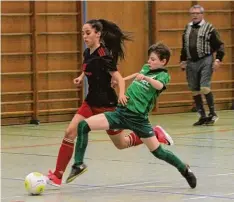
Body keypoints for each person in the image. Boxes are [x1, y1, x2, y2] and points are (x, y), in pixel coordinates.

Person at [47, 19, 173, 187]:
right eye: (83, 33)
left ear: (98, 34)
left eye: (88, 33)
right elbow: (88, 67)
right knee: (70, 132)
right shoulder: (87, 52)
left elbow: (119, 78)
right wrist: (81, 76)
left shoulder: (105, 54)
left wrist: (121, 94)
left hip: (107, 104)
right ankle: (57, 175)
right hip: (90, 102)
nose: (84, 36)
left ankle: (154, 134)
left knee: (122, 144)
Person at [66, 42, 197, 189]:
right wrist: (119, 80)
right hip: (121, 113)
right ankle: (78, 164)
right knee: (84, 125)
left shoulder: (163, 75)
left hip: (139, 119)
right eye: (149, 58)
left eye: (153, 59)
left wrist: (147, 79)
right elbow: (136, 76)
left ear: (163, 61)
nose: (149, 61)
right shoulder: (146, 68)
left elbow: (159, 86)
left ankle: (184, 169)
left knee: (159, 152)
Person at [180, 5, 225, 126]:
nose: (194, 15)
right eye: (192, 13)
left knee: (204, 87)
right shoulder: (187, 28)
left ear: (202, 14)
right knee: (194, 90)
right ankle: (202, 116)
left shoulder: (209, 28)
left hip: (205, 59)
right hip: (191, 62)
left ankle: (212, 114)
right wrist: (183, 60)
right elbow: (184, 46)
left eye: (197, 13)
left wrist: (218, 60)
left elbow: (219, 45)